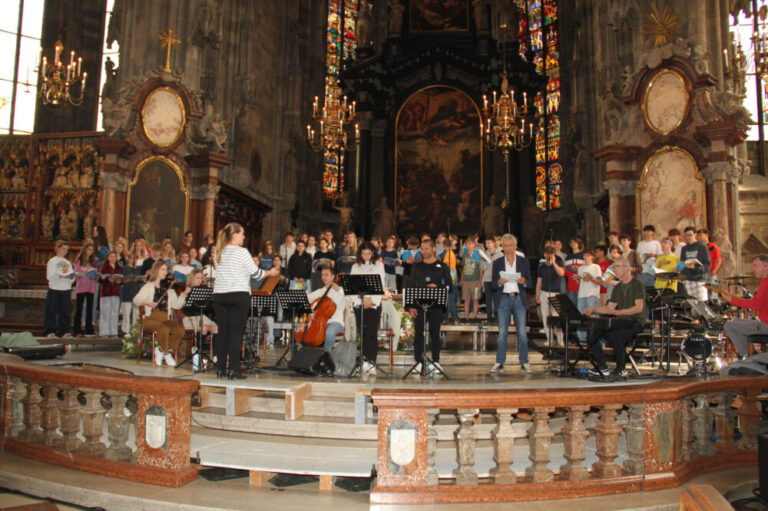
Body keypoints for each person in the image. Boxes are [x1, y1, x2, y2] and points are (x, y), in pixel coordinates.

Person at [213, 223, 280, 379]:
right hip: (238, 295)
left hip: (220, 295)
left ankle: (221, 369)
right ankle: (233, 370)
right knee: (236, 334)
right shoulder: (242, 252)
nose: (244, 237)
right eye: (242, 234)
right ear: (235, 234)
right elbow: (256, 274)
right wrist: (270, 272)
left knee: (223, 333)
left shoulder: (218, 251)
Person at [583, 257, 646, 378]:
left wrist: (619, 312)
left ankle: (621, 369)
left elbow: (639, 308)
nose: (614, 270)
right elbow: (609, 308)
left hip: (635, 321)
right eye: (614, 267)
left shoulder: (637, 284)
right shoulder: (617, 288)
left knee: (615, 335)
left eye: (617, 267)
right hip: (621, 321)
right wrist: (594, 309)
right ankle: (602, 367)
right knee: (593, 333)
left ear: (626, 268)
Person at [405, 238, 452, 374]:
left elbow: (450, 285)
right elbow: (411, 286)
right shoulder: (417, 266)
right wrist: (412, 306)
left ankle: (435, 361)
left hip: (436, 305)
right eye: (422, 249)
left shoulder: (442, 266)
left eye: (427, 248)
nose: (424, 251)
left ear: (433, 249)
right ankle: (418, 361)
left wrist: (438, 287)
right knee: (419, 333)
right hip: (419, 306)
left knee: (434, 333)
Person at [490, 234, 532, 373]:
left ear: (515, 246)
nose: (508, 248)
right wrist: (499, 282)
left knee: (521, 332)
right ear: (502, 247)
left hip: (519, 298)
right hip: (504, 298)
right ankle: (499, 362)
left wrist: (524, 281)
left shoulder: (523, 261)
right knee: (503, 332)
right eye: (505, 246)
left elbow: (530, 282)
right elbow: (493, 285)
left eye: (510, 245)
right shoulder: (497, 263)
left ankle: (524, 361)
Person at [133, 261, 186, 367]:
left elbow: (177, 305)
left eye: (166, 270)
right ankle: (166, 353)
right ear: (156, 271)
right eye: (163, 269)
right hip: (150, 319)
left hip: (164, 318)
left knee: (180, 329)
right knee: (164, 328)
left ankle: (161, 349)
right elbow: (136, 300)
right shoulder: (149, 286)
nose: (165, 272)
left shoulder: (169, 290)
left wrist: (184, 294)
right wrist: (147, 303)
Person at [350, 241, 389, 374]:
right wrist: (362, 299)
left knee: (372, 333)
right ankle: (364, 360)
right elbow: (353, 287)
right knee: (363, 333)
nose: (366, 256)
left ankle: (372, 362)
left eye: (368, 254)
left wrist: (371, 300)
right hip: (359, 303)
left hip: (374, 304)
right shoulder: (355, 266)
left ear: (373, 253)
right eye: (363, 254)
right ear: (360, 254)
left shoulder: (379, 265)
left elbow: (380, 284)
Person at [719, 254, 768, 358]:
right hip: (764, 323)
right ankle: (753, 355)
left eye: (755, 265)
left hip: (766, 326)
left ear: (766, 265)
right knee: (734, 322)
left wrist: (732, 300)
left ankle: (750, 357)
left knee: (729, 326)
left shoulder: (766, 282)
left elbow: (755, 304)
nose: (753, 269)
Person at [305, 267, 346, 352]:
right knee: (302, 329)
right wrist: (310, 312)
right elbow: (306, 299)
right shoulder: (320, 291)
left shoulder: (341, 290)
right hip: (320, 322)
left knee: (329, 332)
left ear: (333, 277)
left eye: (326, 275)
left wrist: (338, 290)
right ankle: (305, 353)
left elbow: (350, 299)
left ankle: (326, 353)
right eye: (322, 275)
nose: (324, 277)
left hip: (336, 322)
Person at [44, 241, 74, 338]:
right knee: (51, 311)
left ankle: (65, 331)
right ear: (58, 248)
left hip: (65, 289)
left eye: (66, 249)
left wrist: (70, 278)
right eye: (63, 248)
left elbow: (72, 275)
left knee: (65, 312)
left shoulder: (67, 262)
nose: (65, 251)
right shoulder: (52, 261)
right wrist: (62, 276)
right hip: (55, 288)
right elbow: (50, 276)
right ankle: (50, 331)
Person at [536, 245, 565, 347]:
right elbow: (539, 281)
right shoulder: (542, 266)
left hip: (555, 292)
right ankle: (549, 339)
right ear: (545, 255)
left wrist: (554, 263)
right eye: (547, 254)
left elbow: (561, 273)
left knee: (556, 316)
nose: (549, 256)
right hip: (544, 292)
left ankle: (561, 339)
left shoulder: (559, 263)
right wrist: (537, 294)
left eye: (551, 254)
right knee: (545, 316)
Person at [680, 226, 711, 301]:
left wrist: (695, 267)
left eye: (690, 235)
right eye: (686, 235)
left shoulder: (702, 247)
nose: (688, 237)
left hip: (699, 279)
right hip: (687, 279)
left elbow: (707, 265)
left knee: (701, 304)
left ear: (695, 234)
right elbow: (682, 262)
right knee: (690, 304)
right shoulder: (684, 249)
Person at [73, 242, 97, 336]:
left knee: (89, 309)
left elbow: (95, 274)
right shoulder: (79, 261)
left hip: (90, 287)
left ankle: (89, 329)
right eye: (88, 249)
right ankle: (77, 329)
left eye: (92, 250)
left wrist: (94, 276)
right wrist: (82, 273)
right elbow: (76, 275)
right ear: (85, 250)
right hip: (81, 286)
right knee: (79, 309)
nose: (90, 252)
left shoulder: (93, 261)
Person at [98, 250, 122, 337]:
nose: (113, 258)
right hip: (106, 292)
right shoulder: (104, 267)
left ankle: (113, 331)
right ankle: (104, 331)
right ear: (107, 258)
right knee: (105, 312)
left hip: (115, 292)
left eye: (114, 256)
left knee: (115, 312)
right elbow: (100, 279)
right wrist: (107, 279)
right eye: (111, 256)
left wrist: (120, 281)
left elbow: (121, 279)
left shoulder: (118, 268)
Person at [480, 236, 504, 324]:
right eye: (486, 244)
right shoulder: (485, 254)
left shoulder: (500, 254)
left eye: (489, 243)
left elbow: (501, 267)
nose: (487, 246)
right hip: (487, 279)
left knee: (497, 299)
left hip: (496, 280)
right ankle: (489, 318)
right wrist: (485, 260)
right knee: (488, 300)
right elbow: (482, 267)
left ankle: (498, 318)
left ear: (494, 243)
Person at [120, 252, 143, 336]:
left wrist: (139, 279)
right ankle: (125, 331)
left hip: (136, 292)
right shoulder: (125, 268)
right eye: (131, 258)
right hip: (127, 292)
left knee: (136, 314)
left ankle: (135, 331)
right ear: (128, 259)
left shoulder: (138, 269)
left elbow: (141, 279)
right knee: (126, 314)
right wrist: (129, 279)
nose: (133, 260)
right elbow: (122, 280)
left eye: (135, 258)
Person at [460, 236, 482, 320]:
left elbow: (481, 269)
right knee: (466, 300)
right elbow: (464, 268)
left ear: (474, 245)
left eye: (470, 244)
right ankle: (466, 317)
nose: (468, 245)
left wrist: (480, 281)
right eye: (467, 244)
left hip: (475, 280)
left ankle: (475, 316)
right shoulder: (465, 256)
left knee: (475, 299)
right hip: (466, 280)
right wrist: (461, 279)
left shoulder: (477, 255)